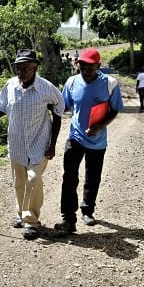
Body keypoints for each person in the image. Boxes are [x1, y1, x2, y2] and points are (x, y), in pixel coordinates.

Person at [0, 49, 64, 240]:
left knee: (33, 179)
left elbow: (58, 112)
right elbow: (3, 106)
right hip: (17, 143)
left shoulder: (47, 88)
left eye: (24, 68)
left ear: (34, 67)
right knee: (19, 181)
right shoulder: (10, 85)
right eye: (17, 68)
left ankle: (32, 221)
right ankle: (21, 213)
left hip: (39, 142)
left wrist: (53, 144)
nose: (20, 72)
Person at [54, 48, 124, 234]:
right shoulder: (71, 82)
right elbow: (64, 105)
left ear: (98, 66)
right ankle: (68, 218)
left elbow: (115, 110)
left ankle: (88, 210)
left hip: (98, 140)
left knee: (92, 178)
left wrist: (100, 126)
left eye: (89, 67)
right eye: (82, 66)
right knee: (69, 177)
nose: (85, 70)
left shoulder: (110, 84)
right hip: (75, 136)